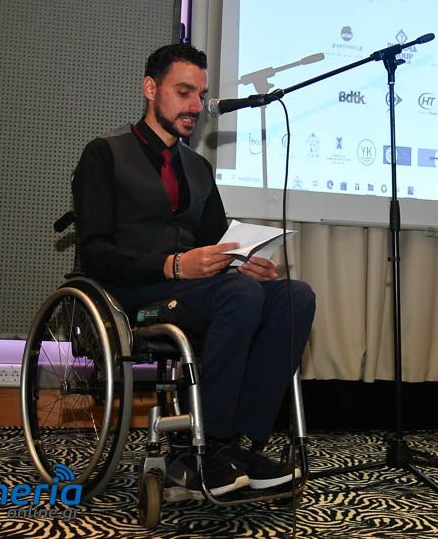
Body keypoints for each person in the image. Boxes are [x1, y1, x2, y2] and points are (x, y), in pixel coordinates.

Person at [72, 43, 316, 498]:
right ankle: (207, 447)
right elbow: (95, 253)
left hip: (194, 294)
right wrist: (173, 265)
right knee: (238, 296)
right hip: (130, 296)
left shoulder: (198, 168)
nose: (196, 106)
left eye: (200, 95)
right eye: (183, 92)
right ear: (150, 89)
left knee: (293, 295)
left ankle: (240, 444)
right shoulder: (104, 155)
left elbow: (218, 245)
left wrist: (244, 263)